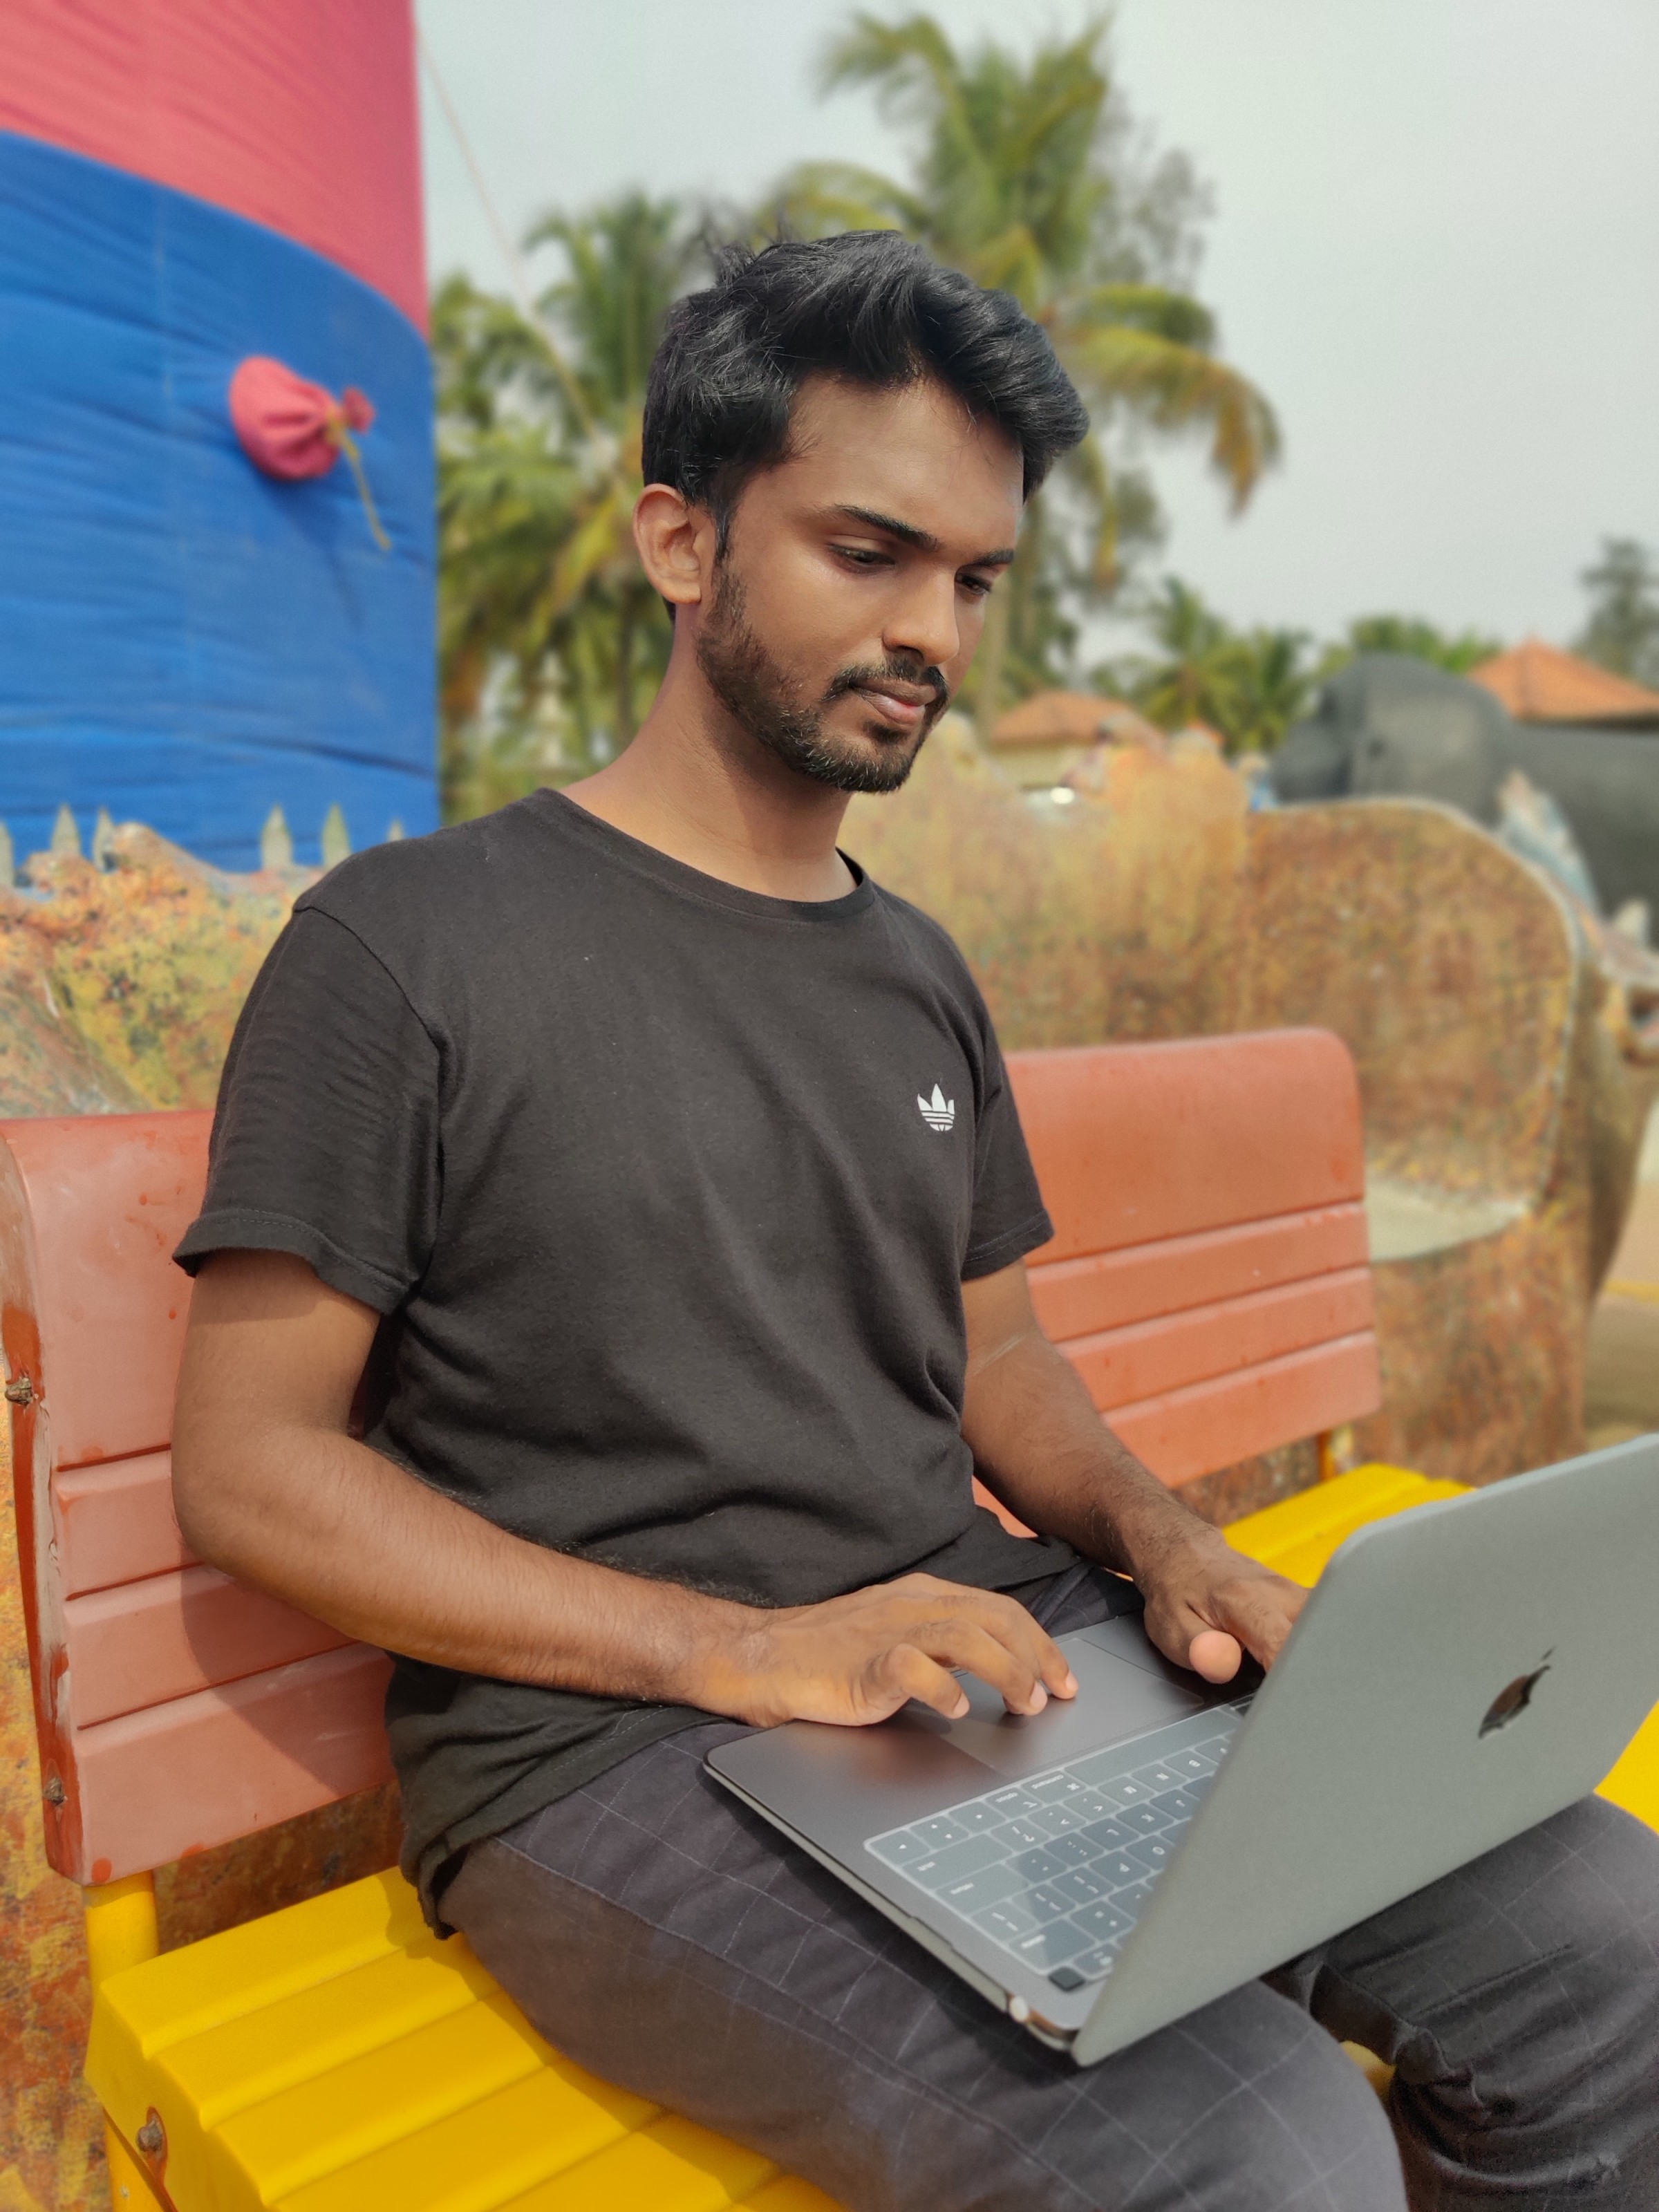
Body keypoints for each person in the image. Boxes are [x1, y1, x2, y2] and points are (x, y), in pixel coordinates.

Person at [171, 233, 1659, 2212]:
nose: (933, 630)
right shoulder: (407, 949)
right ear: (683, 544)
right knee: (1264, 2152)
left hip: (992, 1666)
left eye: (972, 578)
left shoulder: (917, 971)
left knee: (1613, 1959)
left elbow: (1001, 1358)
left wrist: (1161, 1546)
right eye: (869, 553)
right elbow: (251, 1471)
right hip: (609, 1762)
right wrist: (739, 1650)